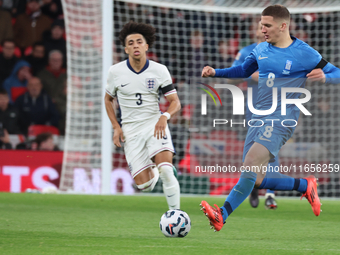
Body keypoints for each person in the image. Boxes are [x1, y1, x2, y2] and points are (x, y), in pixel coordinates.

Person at [200, 5, 340, 231]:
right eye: (260, 25)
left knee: (250, 163)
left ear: (283, 26)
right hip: (258, 118)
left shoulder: (303, 52)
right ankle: (304, 185)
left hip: (282, 119)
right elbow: (243, 71)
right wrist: (216, 72)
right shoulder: (261, 49)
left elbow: (337, 72)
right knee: (255, 178)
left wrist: (326, 77)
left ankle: (221, 214)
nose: (261, 29)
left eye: (267, 25)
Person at [105, 21, 181, 209]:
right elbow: (108, 100)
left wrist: (164, 117)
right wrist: (116, 127)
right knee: (144, 185)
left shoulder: (159, 70)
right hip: (131, 131)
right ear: (125, 49)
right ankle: (160, 168)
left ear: (146, 46)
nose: (135, 45)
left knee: (165, 171)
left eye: (139, 41)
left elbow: (175, 102)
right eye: (131, 43)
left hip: (154, 124)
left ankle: (176, 214)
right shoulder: (115, 72)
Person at [231, 21, 278, 209]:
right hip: (252, 108)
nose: (262, 32)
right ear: (254, 32)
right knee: (253, 150)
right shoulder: (245, 52)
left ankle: (270, 193)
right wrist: (251, 76)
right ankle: (254, 186)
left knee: (272, 151)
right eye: (260, 28)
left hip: (275, 108)